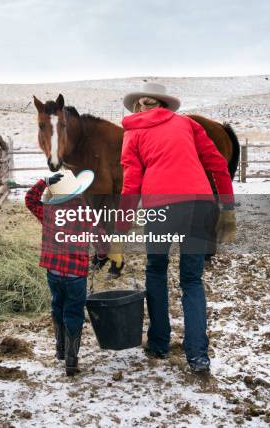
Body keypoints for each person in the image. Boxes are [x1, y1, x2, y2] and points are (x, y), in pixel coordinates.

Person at [119, 83, 236, 373]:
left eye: (141, 104)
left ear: (140, 107)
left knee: (156, 269)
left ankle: (159, 342)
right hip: (199, 206)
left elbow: (131, 185)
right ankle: (198, 356)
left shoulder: (133, 133)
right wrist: (228, 209)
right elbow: (218, 165)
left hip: (161, 209)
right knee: (192, 280)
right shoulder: (186, 124)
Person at [25, 169, 107, 376]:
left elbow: (30, 200)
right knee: (74, 313)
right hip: (76, 275)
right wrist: (101, 256)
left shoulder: (49, 212)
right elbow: (102, 241)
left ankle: (60, 350)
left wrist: (43, 182)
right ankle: (71, 359)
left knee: (57, 306)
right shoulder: (87, 215)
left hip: (53, 271)